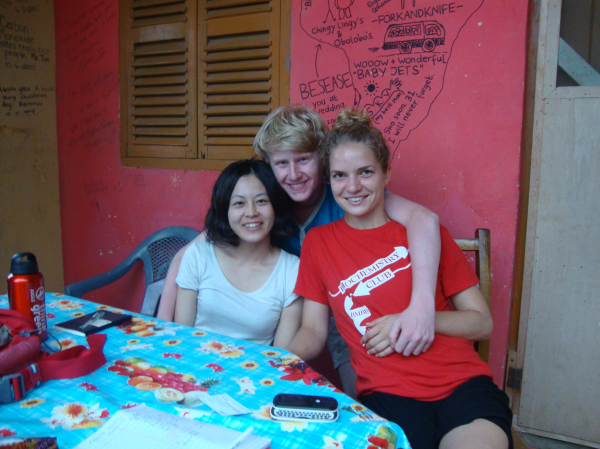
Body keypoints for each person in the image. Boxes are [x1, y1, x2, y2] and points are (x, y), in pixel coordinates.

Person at [159, 105, 441, 398]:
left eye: (304, 159)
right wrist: (163, 336)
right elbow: (186, 255)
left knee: (362, 386)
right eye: (282, 163)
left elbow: (423, 219)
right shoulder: (265, 201)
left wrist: (421, 306)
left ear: (322, 157)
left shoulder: (347, 190)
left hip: (348, 298)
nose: (294, 174)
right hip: (294, 303)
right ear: (269, 164)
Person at [287, 109, 513, 449]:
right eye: (340, 175)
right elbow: (313, 331)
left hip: (462, 385)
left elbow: (482, 324)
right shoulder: (318, 244)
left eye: (365, 172)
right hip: (387, 396)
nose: (353, 187)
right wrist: (272, 361)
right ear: (329, 180)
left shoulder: (426, 237)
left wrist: (414, 320)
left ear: (386, 173)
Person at [173, 160, 303, 348]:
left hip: (255, 366)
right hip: (193, 361)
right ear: (225, 209)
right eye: (239, 203)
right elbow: (182, 337)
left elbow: (280, 356)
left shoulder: (291, 271)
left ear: (276, 205)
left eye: (261, 201)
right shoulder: (199, 255)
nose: (251, 212)